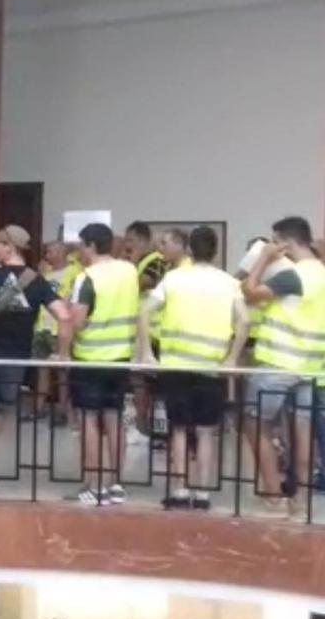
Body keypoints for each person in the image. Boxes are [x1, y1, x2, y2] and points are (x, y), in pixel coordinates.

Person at [0, 226, 72, 497]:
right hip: (15, 358)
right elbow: (64, 317)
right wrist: (63, 353)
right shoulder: (38, 282)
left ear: (10, 247)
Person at [138, 226, 247, 511]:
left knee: (179, 430)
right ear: (216, 251)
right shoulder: (228, 282)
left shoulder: (173, 279)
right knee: (205, 431)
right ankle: (202, 493)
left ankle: (179, 489)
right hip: (210, 367)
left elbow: (144, 311)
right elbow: (244, 321)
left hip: (175, 365)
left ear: (189, 249)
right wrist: (232, 358)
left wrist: (148, 353)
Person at [240, 216, 325, 515]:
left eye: (275, 241)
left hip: (278, 364)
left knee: (255, 424)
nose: (272, 246)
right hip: (310, 366)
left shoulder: (294, 276)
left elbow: (249, 291)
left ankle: (274, 494)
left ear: (286, 243)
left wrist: (263, 259)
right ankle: (300, 498)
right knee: (302, 430)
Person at [67, 223, 139, 506]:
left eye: (82, 246)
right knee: (114, 418)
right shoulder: (129, 271)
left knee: (89, 421)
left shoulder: (87, 278)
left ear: (91, 246)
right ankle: (116, 483)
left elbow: (78, 319)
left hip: (90, 358)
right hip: (121, 356)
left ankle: (93, 484)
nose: (80, 252)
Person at [125, 221, 168, 437]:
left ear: (142, 240)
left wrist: (131, 263)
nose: (127, 245)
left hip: (154, 333)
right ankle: (141, 424)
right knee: (138, 380)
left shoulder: (155, 261)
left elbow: (141, 283)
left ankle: (150, 425)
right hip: (141, 331)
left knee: (151, 382)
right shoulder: (140, 261)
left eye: (131, 240)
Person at [32, 241, 78, 420]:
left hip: (59, 329)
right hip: (41, 327)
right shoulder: (46, 273)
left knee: (62, 372)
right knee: (41, 369)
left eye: (50, 251)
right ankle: (39, 408)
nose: (46, 255)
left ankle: (62, 411)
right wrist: (39, 275)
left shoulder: (74, 272)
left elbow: (71, 300)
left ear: (62, 252)